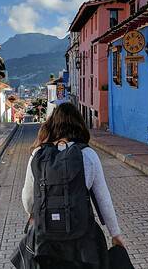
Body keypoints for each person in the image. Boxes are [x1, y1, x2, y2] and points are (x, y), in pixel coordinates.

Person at [20, 102, 124, 268]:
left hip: (46, 242)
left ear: (52, 125)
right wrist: (115, 234)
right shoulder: (88, 155)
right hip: (83, 241)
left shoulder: (37, 154)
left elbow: (27, 199)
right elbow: (104, 200)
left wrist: (32, 213)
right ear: (79, 125)